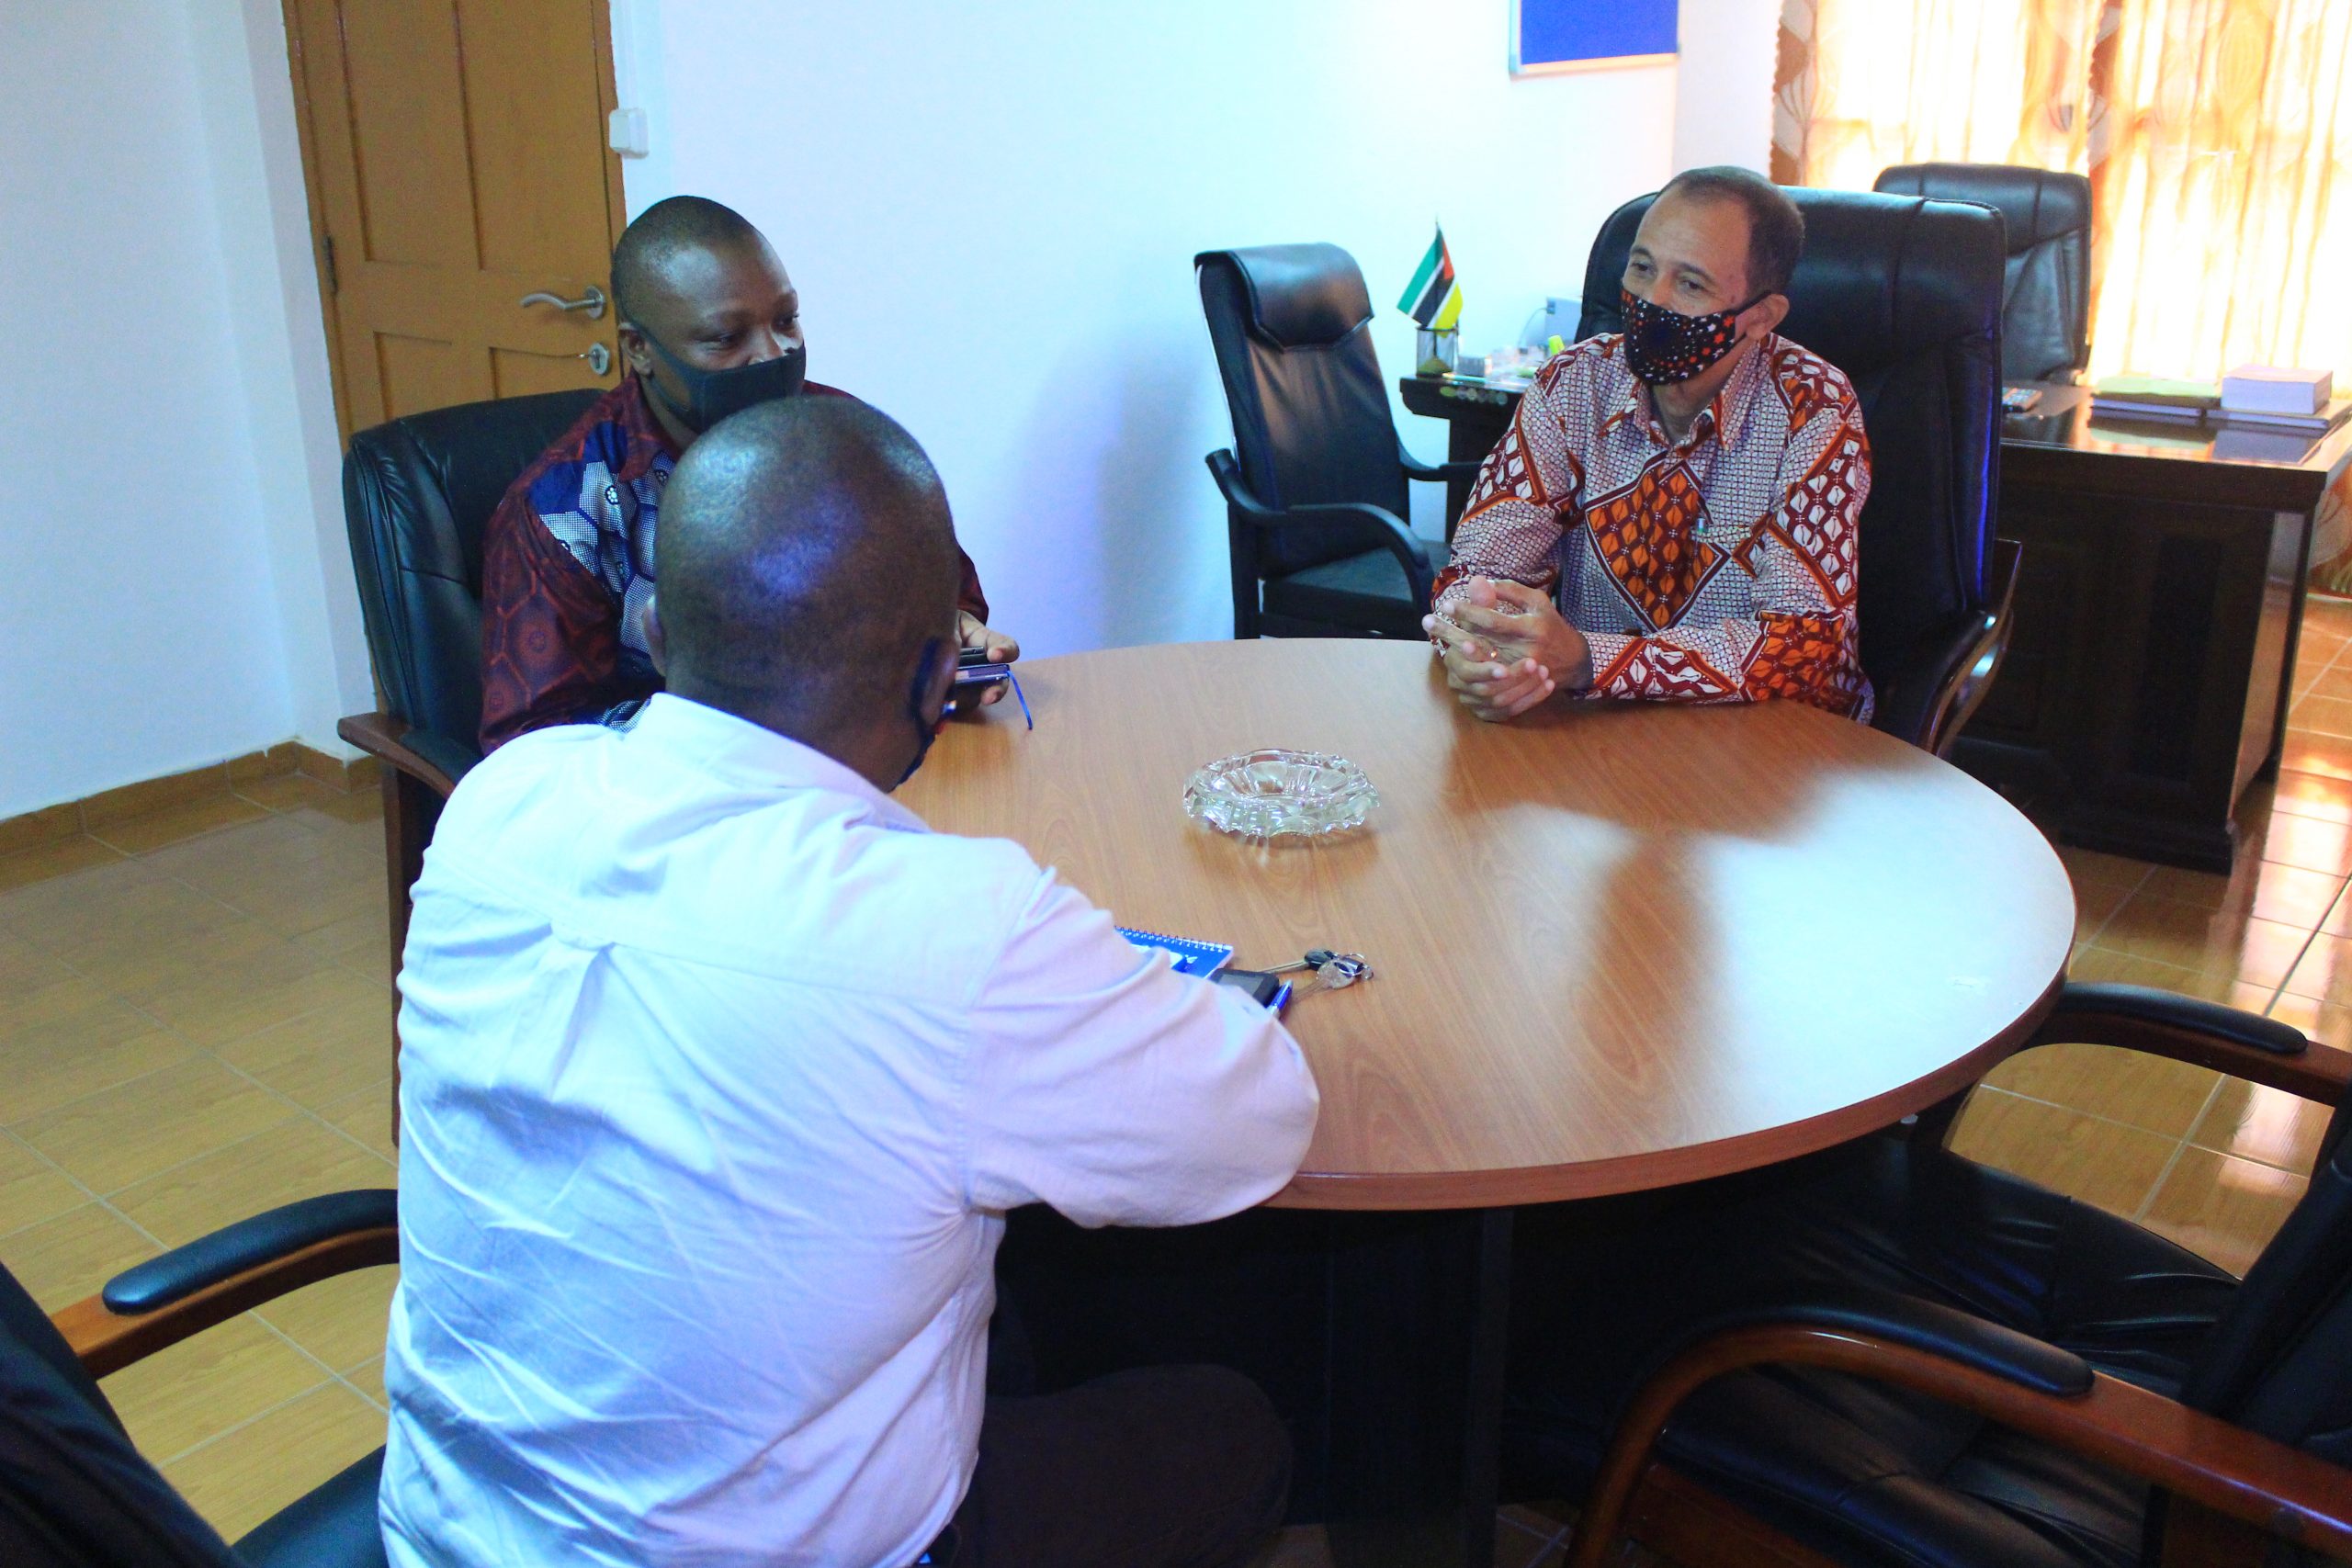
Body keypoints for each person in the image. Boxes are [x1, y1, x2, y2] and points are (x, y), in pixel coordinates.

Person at [380, 396, 1318, 1568]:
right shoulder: (961, 932)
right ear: (941, 676)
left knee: (992, 1293)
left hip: (451, 1531)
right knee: (1229, 1430)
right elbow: (1260, 1121)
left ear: (660, 631)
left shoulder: (497, 806)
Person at [477, 194, 1019, 752]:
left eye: (786, 320)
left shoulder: (849, 443)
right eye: (727, 338)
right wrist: (761, 722)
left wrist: (945, 644)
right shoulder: (566, 512)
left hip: (856, 773)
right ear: (640, 349)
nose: (773, 354)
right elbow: (532, 749)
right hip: (675, 810)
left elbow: (942, 596)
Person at [1426, 166, 1873, 724]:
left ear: (1759, 318)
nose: (1649, 299)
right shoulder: (1574, 383)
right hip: (1597, 730)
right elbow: (1480, 570)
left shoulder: (1815, 408)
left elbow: (1803, 644)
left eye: (1689, 284)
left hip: (1769, 739)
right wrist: (1481, 644)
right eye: (1642, 268)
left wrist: (1593, 661)